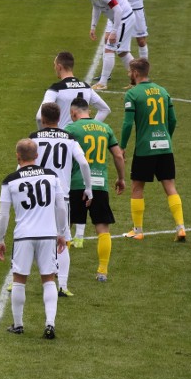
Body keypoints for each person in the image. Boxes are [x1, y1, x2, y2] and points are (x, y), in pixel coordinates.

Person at [0, 139, 68, 339]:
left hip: (23, 236)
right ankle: (50, 324)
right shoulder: (51, 176)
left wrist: (0, 239)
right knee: (48, 279)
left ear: (17, 156)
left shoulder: (9, 180)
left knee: (19, 279)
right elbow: (61, 206)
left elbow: (4, 214)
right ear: (36, 156)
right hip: (47, 234)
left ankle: (18, 325)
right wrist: (61, 232)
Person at [30, 103, 93, 297]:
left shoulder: (33, 138)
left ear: (43, 119)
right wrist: (88, 188)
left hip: (38, 194)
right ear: (59, 118)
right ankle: (62, 286)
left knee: (29, 236)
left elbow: (23, 165)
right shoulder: (70, 138)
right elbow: (83, 162)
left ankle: (16, 279)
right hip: (61, 195)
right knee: (63, 239)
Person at [119, 58, 186, 242]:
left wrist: (122, 146)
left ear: (135, 73)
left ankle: (138, 230)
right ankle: (181, 227)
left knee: (137, 187)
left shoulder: (133, 94)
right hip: (165, 147)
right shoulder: (163, 92)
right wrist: (166, 138)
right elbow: (173, 121)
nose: (128, 75)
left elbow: (127, 125)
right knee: (170, 186)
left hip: (144, 149)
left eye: (129, 72)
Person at [65, 95, 126, 282]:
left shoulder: (70, 128)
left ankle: (59, 268)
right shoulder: (105, 128)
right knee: (103, 228)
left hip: (76, 184)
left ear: (73, 113)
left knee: (66, 227)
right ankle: (102, 271)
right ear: (89, 111)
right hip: (100, 185)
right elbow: (118, 155)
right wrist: (121, 178)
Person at [81, 0, 135, 91]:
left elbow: (118, 11)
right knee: (122, 51)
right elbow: (96, 6)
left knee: (110, 48)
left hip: (124, 18)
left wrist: (114, 32)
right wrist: (93, 27)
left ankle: (103, 82)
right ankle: (139, 79)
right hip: (119, 19)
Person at [37, 51, 110, 130]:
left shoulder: (55, 89)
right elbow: (105, 109)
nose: (54, 68)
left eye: (54, 65)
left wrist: (45, 135)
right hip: (82, 139)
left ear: (59, 67)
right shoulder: (86, 87)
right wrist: (90, 129)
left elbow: (39, 117)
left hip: (64, 139)